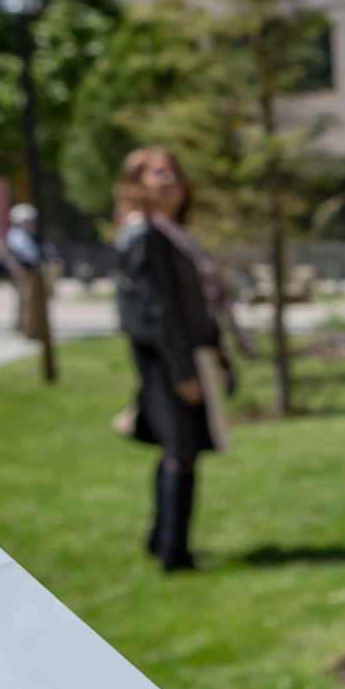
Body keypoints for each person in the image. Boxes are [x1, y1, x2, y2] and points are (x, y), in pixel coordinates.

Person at [113, 147, 231, 573]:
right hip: (166, 361)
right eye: (157, 173)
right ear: (135, 181)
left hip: (176, 356)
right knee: (180, 451)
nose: (169, 180)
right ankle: (173, 554)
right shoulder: (143, 234)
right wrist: (182, 371)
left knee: (178, 450)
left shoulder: (166, 232)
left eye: (174, 172)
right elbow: (155, 310)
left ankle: (161, 540)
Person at [1, 202, 46, 339]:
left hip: (29, 269)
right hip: (24, 270)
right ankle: (29, 330)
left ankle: (30, 327)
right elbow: (29, 254)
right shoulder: (17, 234)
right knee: (27, 300)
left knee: (29, 300)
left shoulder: (27, 233)